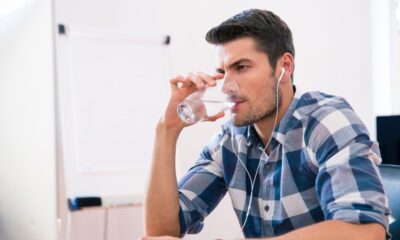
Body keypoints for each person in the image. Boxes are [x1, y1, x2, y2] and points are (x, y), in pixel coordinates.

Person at [143, 9, 390, 240]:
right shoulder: (230, 138)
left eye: (241, 67)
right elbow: (162, 230)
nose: (226, 87)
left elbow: (367, 232)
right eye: (223, 72)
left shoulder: (325, 121)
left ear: (284, 66)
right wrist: (167, 128)